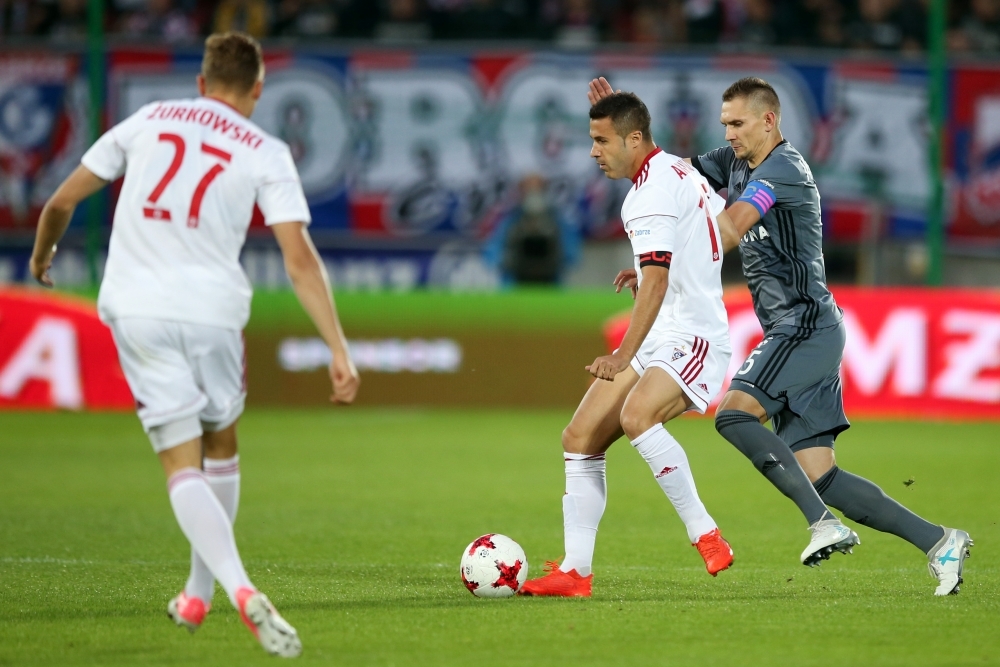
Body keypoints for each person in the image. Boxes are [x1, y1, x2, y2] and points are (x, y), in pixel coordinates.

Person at [29, 32, 360, 655]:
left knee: (181, 464)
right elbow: (299, 260)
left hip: (137, 309)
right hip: (213, 313)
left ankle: (224, 589)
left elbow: (60, 201)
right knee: (222, 441)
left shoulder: (147, 120)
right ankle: (210, 591)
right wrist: (338, 349)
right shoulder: (265, 149)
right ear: (257, 90)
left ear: (203, 84)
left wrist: (43, 256)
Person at [589, 75, 971, 595]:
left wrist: (665, 263)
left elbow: (730, 225)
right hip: (801, 328)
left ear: (770, 120)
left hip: (803, 325)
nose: (729, 134)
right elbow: (670, 174)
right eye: (724, 124)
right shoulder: (734, 162)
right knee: (823, 476)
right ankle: (939, 540)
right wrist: (623, 124)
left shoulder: (783, 170)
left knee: (733, 414)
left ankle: (823, 525)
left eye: (738, 124)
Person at [519, 92, 735, 598]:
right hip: (664, 328)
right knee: (579, 438)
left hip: (693, 334)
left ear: (633, 139)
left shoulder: (648, 195)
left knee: (638, 416)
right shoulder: (677, 169)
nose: (593, 151)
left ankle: (705, 533)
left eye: (601, 140)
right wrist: (645, 271)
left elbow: (659, 282)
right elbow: (702, 233)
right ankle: (575, 572)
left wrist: (620, 354)